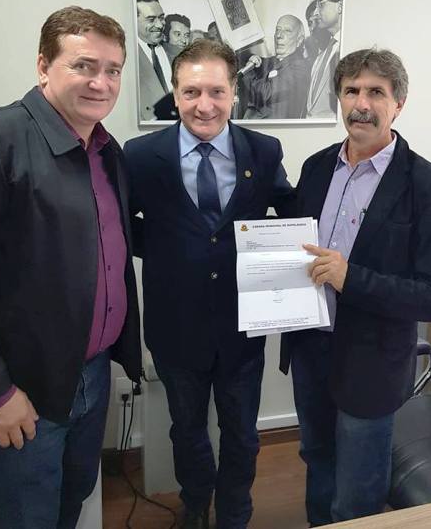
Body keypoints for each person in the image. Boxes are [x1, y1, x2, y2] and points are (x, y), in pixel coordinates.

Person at [280, 48, 431, 526]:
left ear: (398, 103)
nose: (361, 103)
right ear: (339, 99)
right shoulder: (316, 167)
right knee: (317, 461)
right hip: (310, 350)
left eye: (375, 92)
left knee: (357, 493)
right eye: (351, 91)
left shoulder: (429, 186)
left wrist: (351, 279)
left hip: (373, 362)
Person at [124, 39, 294, 529]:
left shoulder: (263, 151)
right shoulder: (141, 155)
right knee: (187, 430)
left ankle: (235, 512)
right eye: (191, 92)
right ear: (175, 92)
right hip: (176, 327)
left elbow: (288, 211)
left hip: (242, 326)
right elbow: (122, 224)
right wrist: (170, 250)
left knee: (242, 434)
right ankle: (196, 504)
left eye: (217, 91)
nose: (205, 105)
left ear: (234, 91)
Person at [0, 6, 142, 528]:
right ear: (42, 66)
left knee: (69, 504)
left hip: (93, 373)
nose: (101, 82)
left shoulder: (106, 151)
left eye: (113, 70)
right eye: (84, 66)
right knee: (22, 515)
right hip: (22, 388)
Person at [241, 14, 311, 119]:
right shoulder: (273, 61)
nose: (279, 35)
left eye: (287, 31)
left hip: (273, 127)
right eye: (278, 30)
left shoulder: (300, 67)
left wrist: (248, 70)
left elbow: (264, 94)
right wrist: (251, 58)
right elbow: (246, 59)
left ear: (299, 40)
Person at [304, 0, 343, 119]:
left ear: (340, 6)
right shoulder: (322, 55)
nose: (316, 11)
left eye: (321, 4)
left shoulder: (349, 51)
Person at [136, 0, 177, 120]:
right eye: (151, 19)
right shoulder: (126, 59)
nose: (159, 25)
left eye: (161, 18)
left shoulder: (181, 54)